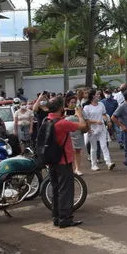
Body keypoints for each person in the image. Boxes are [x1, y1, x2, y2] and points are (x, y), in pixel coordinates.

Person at [43, 96, 87, 228]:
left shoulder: (47, 120)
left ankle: (56, 216)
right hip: (63, 160)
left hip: (52, 160)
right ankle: (65, 218)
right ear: (60, 108)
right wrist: (79, 115)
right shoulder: (62, 123)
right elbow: (83, 126)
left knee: (56, 189)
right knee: (66, 191)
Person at [83, 89, 114, 172]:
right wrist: (96, 122)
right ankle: (94, 165)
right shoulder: (87, 107)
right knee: (94, 148)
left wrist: (107, 120)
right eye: (97, 94)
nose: (99, 96)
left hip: (102, 129)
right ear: (93, 96)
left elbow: (104, 114)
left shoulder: (101, 104)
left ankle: (108, 162)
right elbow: (86, 120)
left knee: (104, 146)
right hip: (92, 130)